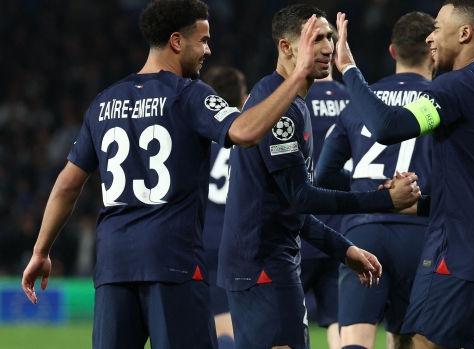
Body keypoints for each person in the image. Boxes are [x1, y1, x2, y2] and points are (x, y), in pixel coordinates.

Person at [20, 0, 325, 347]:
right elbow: (244, 132)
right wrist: (298, 73)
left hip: (113, 266)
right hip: (173, 263)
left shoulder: (104, 101)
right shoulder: (188, 94)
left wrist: (40, 251)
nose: (208, 50)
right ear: (177, 41)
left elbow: (66, 186)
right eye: (203, 40)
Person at [333, 0, 474, 348]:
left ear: (464, 33)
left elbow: (387, 127)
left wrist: (350, 69)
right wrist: (418, 204)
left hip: (466, 251)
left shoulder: (459, 85)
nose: (430, 38)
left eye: (438, 27)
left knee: (426, 343)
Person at [217, 4, 421, 349]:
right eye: (316, 39)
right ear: (286, 47)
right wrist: (384, 199)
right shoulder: (278, 108)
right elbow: (301, 197)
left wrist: (343, 249)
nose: (327, 47)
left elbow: (290, 205)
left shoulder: (291, 102)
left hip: (266, 258)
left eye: (331, 37)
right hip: (262, 263)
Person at [315, 11, 435, 349]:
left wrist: (365, 189)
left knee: (355, 338)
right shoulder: (444, 101)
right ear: (433, 51)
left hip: (363, 230)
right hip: (422, 231)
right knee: (413, 338)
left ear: (393, 52)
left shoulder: (357, 103)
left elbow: (322, 176)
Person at [300, 23, 349, 349]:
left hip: (301, 226)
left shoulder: (295, 96)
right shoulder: (352, 100)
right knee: (338, 323)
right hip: (341, 228)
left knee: (289, 316)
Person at [202, 66, 248, 349]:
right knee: (231, 322)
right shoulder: (250, 136)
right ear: (243, 99)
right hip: (237, 240)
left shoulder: (198, 134)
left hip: (201, 237)